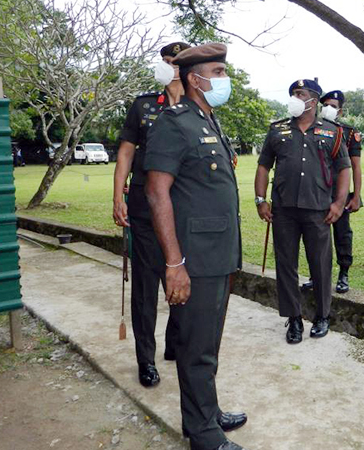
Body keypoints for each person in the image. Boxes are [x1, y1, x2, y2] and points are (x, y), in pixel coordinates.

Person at [144, 42, 246, 450]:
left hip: (218, 254)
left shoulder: (208, 120)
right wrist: (174, 263)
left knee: (208, 342)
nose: (224, 79)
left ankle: (205, 413)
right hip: (195, 257)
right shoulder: (174, 123)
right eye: (218, 72)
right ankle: (203, 435)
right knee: (196, 346)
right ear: (195, 79)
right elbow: (156, 193)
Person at [113, 41, 189, 388]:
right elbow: (126, 152)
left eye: (175, 62)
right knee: (145, 288)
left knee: (185, 279)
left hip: (184, 209)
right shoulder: (144, 105)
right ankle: (146, 359)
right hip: (145, 209)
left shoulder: (197, 105)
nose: (168, 66)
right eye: (165, 61)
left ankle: (175, 344)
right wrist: (118, 195)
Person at [255, 79, 351, 344]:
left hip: (318, 210)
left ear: (313, 100)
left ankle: (322, 316)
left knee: (320, 264)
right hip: (283, 209)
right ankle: (294, 318)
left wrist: (339, 203)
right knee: (286, 265)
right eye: (293, 94)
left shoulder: (332, 131)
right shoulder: (277, 130)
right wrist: (261, 200)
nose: (294, 98)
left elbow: (344, 168)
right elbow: (263, 165)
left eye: (299, 94)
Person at [301, 90, 362, 294]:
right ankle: (315, 275)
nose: (328, 109)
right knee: (314, 236)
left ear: (340, 111)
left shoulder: (349, 133)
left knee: (342, 234)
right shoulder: (312, 127)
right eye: (325, 105)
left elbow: (355, 166)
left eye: (333, 106)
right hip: (317, 192)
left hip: (339, 193)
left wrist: (356, 196)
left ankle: (343, 274)